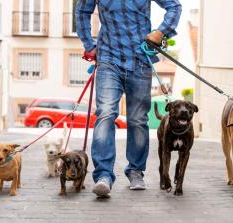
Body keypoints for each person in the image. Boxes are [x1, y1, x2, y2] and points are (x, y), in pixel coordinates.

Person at [76, 0, 182, 198]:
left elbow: (174, 6)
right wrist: (89, 45)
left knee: (137, 119)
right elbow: (82, 11)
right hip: (108, 59)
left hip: (140, 60)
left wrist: (160, 32)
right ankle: (103, 176)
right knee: (106, 113)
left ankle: (135, 171)